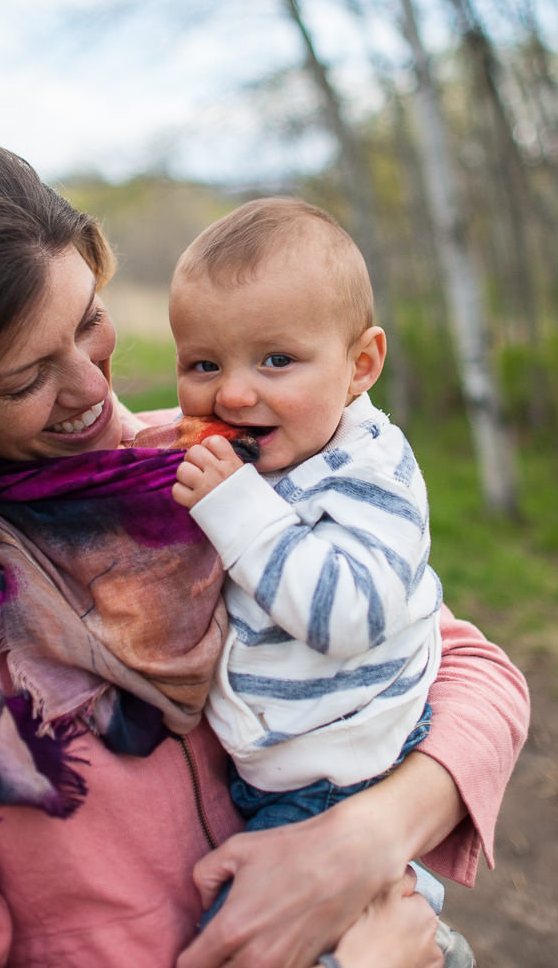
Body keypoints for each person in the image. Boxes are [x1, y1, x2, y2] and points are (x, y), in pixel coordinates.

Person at [0, 136, 530, 968]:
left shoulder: (200, 468)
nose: (90, 389)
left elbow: (468, 667)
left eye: (89, 322)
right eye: (23, 378)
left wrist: (366, 840)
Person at [167, 198, 456, 939]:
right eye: (204, 363)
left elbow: (346, 615)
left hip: (336, 772)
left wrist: (234, 510)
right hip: (287, 764)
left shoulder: (369, 473)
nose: (232, 393)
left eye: (276, 360)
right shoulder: (272, 448)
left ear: (360, 366)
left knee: (253, 933)